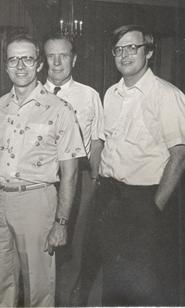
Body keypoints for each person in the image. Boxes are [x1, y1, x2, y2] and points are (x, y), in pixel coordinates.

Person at [0, 34, 86, 307]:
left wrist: (61, 223)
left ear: (38, 65)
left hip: (36, 202)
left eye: (27, 58)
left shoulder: (60, 110)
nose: (20, 65)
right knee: (0, 286)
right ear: (6, 65)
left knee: (38, 287)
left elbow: (70, 173)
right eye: (13, 59)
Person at [98, 24, 185, 306]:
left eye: (132, 48)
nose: (124, 55)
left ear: (148, 52)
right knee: (114, 280)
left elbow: (179, 156)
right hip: (112, 198)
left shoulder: (167, 95)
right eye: (118, 49)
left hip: (146, 200)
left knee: (148, 284)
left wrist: (155, 208)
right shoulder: (111, 94)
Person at [42, 33, 104, 306]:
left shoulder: (89, 95)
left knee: (73, 251)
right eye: (51, 56)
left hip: (79, 179)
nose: (57, 63)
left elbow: (97, 140)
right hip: (41, 180)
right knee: (40, 248)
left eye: (63, 55)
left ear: (74, 59)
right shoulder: (32, 93)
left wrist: (92, 179)